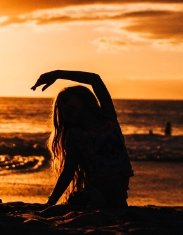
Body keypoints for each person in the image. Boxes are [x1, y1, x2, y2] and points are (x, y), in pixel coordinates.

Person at [31, 70, 133, 208]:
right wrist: (50, 202)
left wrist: (57, 74)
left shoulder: (109, 120)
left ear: (84, 99)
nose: (65, 108)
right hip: (97, 194)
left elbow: (95, 80)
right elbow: (68, 171)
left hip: (119, 198)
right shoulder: (76, 135)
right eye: (60, 108)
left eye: (66, 101)